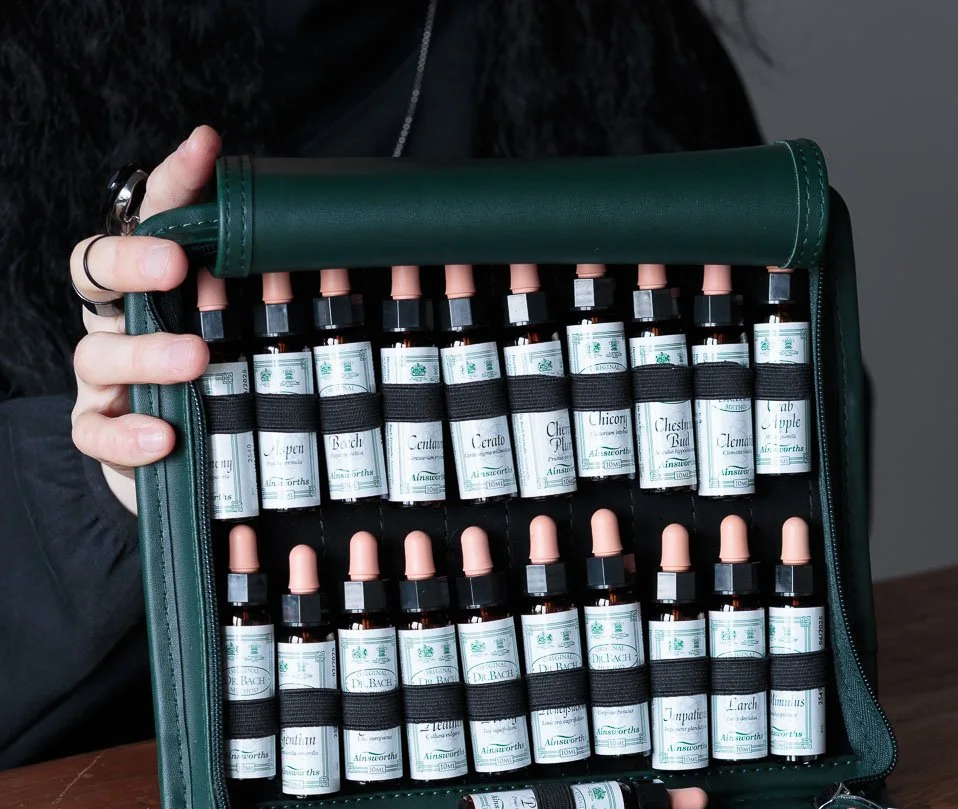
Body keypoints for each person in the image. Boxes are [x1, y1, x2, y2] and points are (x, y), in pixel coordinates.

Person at [0, 0, 761, 767]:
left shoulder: (616, 40)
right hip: (111, 805)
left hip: (599, 766)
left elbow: (788, 473)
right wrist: (107, 486)